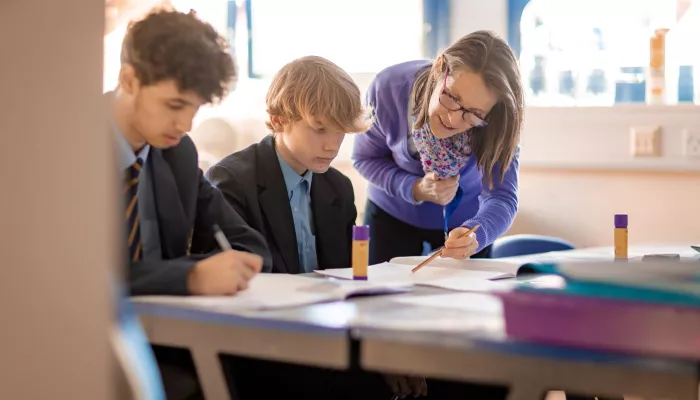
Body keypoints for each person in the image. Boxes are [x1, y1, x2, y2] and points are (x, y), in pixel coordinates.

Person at [206, 55, 394, 400]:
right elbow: (240, 289)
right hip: (265, 347)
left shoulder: (337, 187)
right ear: (279, 120)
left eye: (340, 130)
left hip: (326, 337)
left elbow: (347, 280)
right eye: (320, 128)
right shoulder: (230, 181)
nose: (332, 144)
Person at [107, 8, 272, 399]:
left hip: (163, 342)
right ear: (129, 80)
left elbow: (251, 247)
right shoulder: (60, 143)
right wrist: (191, 277)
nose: (185, 125)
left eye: (195, 109)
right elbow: (69, 273)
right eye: (174, 104)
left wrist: (222, 266)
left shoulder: (177, 154)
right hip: (73, 341)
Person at [352, 30, 522, 265]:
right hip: (390, 216)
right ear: (440, 67)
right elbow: (364, 159)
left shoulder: (499, 120)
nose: (453, 119)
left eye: (473, 115)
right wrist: (415, 188)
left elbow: (502, 197)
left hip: (468, 224)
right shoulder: (388, 88)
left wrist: (475, 234)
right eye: (451, 97)